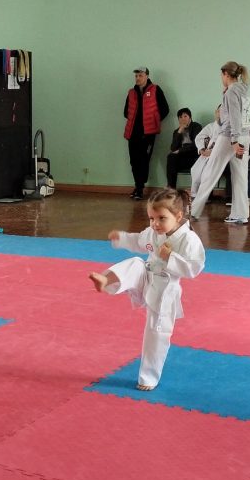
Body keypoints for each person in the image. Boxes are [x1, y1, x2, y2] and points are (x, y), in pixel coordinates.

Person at [87, 188, 206, 391]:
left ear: (178, 216)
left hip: (165, 291)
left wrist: (171, 257)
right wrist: (121, 238)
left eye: (161, 218)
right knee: (136, 263)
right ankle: (106, 280)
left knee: (156, 334)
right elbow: (137, 241)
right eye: (151, 218)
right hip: (146, 277)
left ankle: (148, 377)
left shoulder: (189, 239)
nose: (155, 224)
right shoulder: (153, 233)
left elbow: (194, 268)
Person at [189, 61, 250, 224]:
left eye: (221, 75)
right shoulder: (243, 89)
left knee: (210, 172)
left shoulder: (231, 92)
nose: (221, 79)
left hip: (230, 138)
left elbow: (234, 117)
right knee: (240, 176)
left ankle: (194, 211)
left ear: (226, 74)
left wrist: (234, 140)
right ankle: (241, 214)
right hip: (245, 137)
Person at [123, 67, 170, 200]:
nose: (138, 78)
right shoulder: (131, 92)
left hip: (148, 133)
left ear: (147, 76)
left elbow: (165, 109)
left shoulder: (155, 89)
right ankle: (138, 186)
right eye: (136, 76)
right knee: (134, 161)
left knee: (143, 160)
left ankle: (139, 188)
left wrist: (154, 120)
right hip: (133, 133)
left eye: (140, 75)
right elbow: (126, 112)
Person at [166, 108, 202, 188]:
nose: (183, 119)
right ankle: (171, 188)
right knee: (171, 157)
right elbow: (173, 148)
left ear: (190, 118)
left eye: (185, 116)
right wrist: (180, 131)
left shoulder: (196, 126)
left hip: (194, 158)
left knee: (174, 155)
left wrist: (180, 150)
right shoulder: (177, 131)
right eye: (180, 117)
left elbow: (196, 144)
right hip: (182, 158)